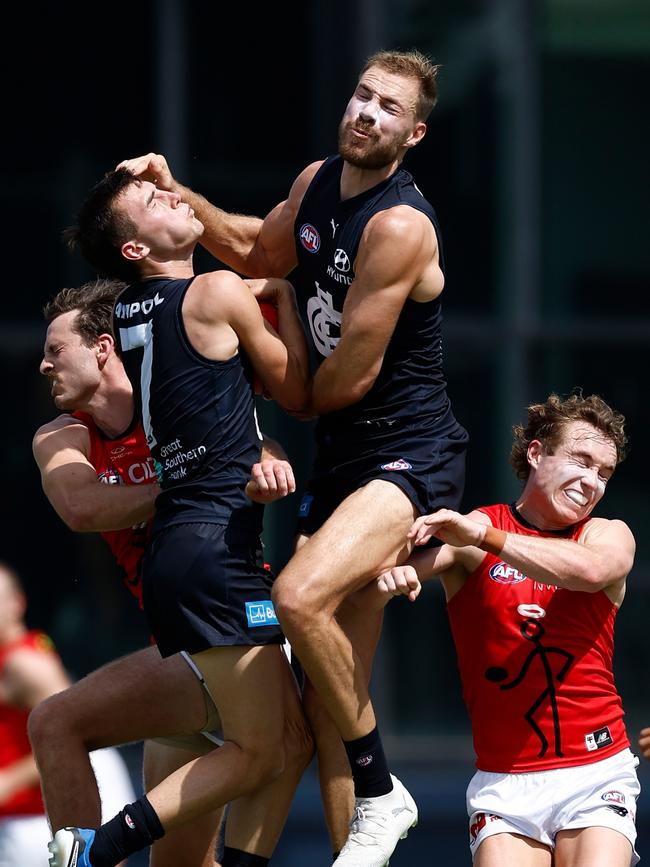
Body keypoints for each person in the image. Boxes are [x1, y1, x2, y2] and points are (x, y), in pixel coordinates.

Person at [118, 47, 469, 865]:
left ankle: (385, 792)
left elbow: (341, 381)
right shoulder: (316, 183)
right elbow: (250, 245)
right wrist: (178, 198)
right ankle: (333, 835)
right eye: (361, 95)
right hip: (343, 461)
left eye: (388, 108)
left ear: (412, 134)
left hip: (409, 453)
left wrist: (261, 337)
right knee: (322, 708)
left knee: (296, 597)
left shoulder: (399, 227)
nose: (367, 113)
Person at [49, 166, 311, 867]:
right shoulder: (65, 431)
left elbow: (231, 414)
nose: (44, 368)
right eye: (156, 199)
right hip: (208, 571)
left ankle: (94, 847)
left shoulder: (147, 326)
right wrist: (279, 295)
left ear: (107, 348)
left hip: (190, 587)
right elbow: (292, 388)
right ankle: (93, 848)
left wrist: (262, 450)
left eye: (55, 350)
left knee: (266, 759)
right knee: (272, 748)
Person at [374, 392, 640, 866]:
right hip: (504, 781)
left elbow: (593, 570)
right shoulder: (478, 528)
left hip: (597, 769)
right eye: (581, 460)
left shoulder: (607, 533)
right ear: (537, 453)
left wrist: (484, 538)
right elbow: (397, 563)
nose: (592, 481)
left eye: (604, 472)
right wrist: (395, 572)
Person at [0, 560, 136, 867]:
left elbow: (71, 733)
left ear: (17, 604)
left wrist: (8, 781)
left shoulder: (23, 663)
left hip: (35, 826)